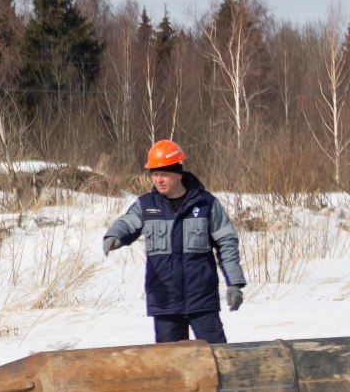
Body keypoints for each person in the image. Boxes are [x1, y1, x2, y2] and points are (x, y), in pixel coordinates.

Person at [103, 139, 248, 343]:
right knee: (170, 366)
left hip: (202, 300)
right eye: (154, 174)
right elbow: (128, 222)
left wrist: (234, 283)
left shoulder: (206, 204)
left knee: (216, 358)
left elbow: (227, 242)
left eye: (164, 174)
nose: (158, 180)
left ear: (178, 173)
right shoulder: (146, 205)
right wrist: (114, 235)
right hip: (165, 301)